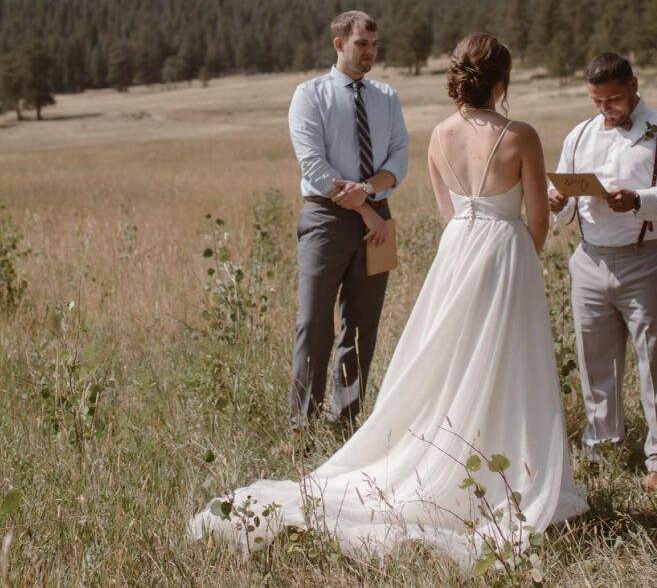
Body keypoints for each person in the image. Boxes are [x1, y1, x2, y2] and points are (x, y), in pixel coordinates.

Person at [190, 33, 588, 566]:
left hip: (457, 255)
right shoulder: (522, 136)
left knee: (451, 363)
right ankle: (507, 470)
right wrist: (519, 254)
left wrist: (473, 243)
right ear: (502, 82)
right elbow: (536, 219)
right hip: (505, 253)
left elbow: (451, 213)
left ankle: (451, 453)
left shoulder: (440, 136)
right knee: (507, 363)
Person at [548, 53, 657, 491]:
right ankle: (603, 447)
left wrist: (640, 200)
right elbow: (563, 189)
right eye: (596, 100)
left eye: (613, 98)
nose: (605, 109)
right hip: (590, 260)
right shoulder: (579, 135)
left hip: (647, 258)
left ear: (634, 85)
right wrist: (558, 201)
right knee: (595, 359)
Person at [287, 10, 409, 432]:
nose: (370, 53)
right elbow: (314, 166)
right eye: (362, 45)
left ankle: (346, 422)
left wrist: (371, 195)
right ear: (339, 44)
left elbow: (399, 159)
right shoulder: (309, 95)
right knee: (313, 320)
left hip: (378, 218)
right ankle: (302, 427)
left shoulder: (386, 97)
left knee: (363, 324)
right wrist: (364, 207)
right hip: (326, 218)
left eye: (375, 45)